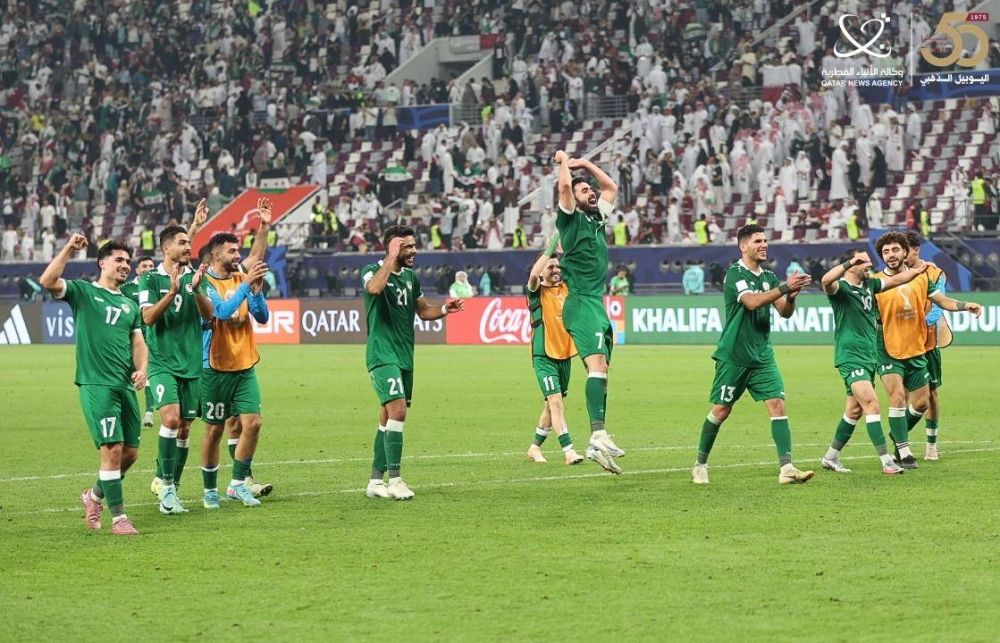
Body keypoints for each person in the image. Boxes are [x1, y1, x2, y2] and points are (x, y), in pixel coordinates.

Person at [40, 235, 148, 535]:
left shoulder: (129, 305)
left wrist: (142, 370)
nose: (125, 265)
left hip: (124, 386)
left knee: (130, 454)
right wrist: (68, 250)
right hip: (96, 384)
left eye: (128, 261)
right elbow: (48, 281)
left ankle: (94, 496)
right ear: (102, 263)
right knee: (112, 449)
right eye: (119, 259)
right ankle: (119, 518)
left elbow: (138, 343)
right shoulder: (84, 292)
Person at [692, 224, 814, 485]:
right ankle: (700, 464)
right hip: (734, 355)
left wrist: (792, 296)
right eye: (758, 241)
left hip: (762, 355)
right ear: (743, 246)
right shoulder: (735, 273)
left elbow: (784, 312)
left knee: (777, 405)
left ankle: (787, 467)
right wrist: (784, 287)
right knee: (721, 410)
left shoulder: (768, 276)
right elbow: (751, 302)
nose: (764, 245)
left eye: (765, 241)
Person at [361, 225, 465, 500]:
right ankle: (395, 480)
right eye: (407, 246)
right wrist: (390, 258)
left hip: (405, 355)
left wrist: (445, 309)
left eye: (414, 245)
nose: (414, 250)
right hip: (382, 354)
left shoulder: (411, 278)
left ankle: (375, 481)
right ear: (392, 248)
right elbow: (374, 289)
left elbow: (423, 310)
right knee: (397, 411)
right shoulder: (371, 271)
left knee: (387, 417)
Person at [873, 231, 983, 469]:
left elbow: (942, 301)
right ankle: (904, 450)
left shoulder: (923, 278)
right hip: (888, 348)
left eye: (895, 250)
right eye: (885, 252)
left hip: (916, 347)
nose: (890, 255)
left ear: (905, 252)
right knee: (898, 397)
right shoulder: (876, 282)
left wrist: (965, 305)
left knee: (922, 403)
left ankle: (897, 433)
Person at [819, 248, 927, 476]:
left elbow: (897, 279)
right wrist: (848, 263)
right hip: (850, 357)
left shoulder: (869, 285)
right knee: (872, 404)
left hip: (869, 357)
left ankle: (830, 457)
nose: (869, 265)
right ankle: (887, 461)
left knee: (854, 410)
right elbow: (826, 281)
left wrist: (918, 271)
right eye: (864, 262)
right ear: (852, 264)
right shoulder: (841, 290)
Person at [553, 150, 625, 473]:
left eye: (590, 190)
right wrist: (565, 163)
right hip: (580, 302)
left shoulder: (597, 220)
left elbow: (611, 188)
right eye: (585, 191)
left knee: (602, 370)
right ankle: (597, 434)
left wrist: (585, 165)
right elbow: (564, 189)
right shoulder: (570, 220)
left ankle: (597, 443)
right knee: (597, 366)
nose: (591, 193)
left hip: (596, 303)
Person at [139, 199, 212, 514]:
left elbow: (209, 315)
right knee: (170, 419)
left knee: (183, 429)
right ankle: (166, 488)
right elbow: (148, 318)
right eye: (182, 243)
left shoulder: (194, 275)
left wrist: (194, 290)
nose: (188, 247)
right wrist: (171, 293)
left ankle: (171, 485)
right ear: (165, 248)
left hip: (191, 364)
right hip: (162, 363)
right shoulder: (150, 279)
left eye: (188, 242)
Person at [195, 232, 271, 508]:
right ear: (216, 254)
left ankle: (238, 485)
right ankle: (209, 490)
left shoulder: (242, 278)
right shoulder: (204, 283)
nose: (238, 256)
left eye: (238, 251)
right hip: (215, 366)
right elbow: (221, 312)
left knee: (253, 423)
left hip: (245, 364)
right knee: (214, 431)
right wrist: (246, 286)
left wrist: (257, 291)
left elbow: (262, 317)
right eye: (232, 251)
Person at [524, 235, 588, 468]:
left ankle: (534, 447)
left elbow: (576, 269)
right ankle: (569, 451)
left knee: (551, 406)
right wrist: (551, 247)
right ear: (542, 270)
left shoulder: (565, 288)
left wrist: (568, 248)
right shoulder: (535, 291)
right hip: (544, 356)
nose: (555, 270)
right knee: (556, 402)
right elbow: (533, 276)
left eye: (557, 267)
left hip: (564, 356)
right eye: (550, 267)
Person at [121, 256, 157, 427]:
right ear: (137, 270)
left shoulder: (157, 286)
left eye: (151, 265)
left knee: (147, 373)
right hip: (130, 339)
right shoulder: (127, 288)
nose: (148, 268)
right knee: (125, 374)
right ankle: (125, 409)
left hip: (151, 337)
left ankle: (149, 412)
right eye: (144, 266)